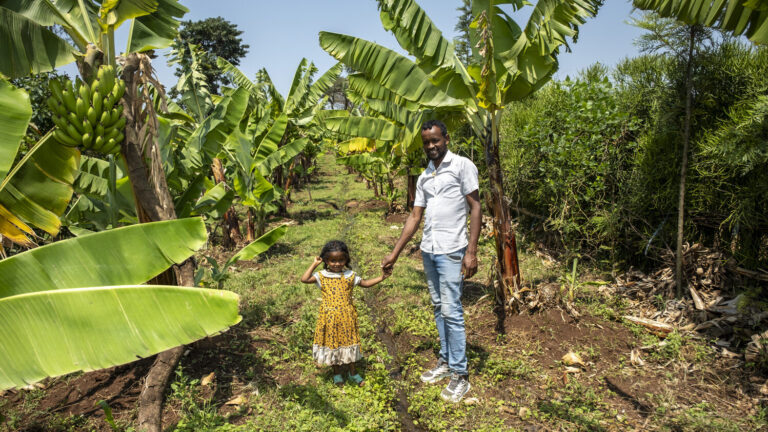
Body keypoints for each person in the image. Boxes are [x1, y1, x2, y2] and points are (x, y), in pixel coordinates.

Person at [381, 119, 481, 403]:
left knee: (452, 311)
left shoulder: (462, 166)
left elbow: (475, 208)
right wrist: (395, 253)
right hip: (429, 249)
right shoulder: (425, 175)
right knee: (439, 307)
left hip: (452, 250)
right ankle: (446, 361)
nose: (431, 146)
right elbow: (415, 216)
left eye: (435, 140)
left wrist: (471, 252)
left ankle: (460, 376)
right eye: (426, 142)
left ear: (446, 139)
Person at [301, 240, 391, 386]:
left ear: (346, 260)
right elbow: (304, 279)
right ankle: (336, 373)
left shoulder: (350, 275)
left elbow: (366, 284)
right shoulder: (321, 275)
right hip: (328, 316)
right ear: (326, 260)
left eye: (341, 260)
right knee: (332, 343)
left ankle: (353, 372)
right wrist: (314, 264)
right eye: (333, 260)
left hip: (346, 316)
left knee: (349, 342)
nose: (337, 264)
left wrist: (382, 277)